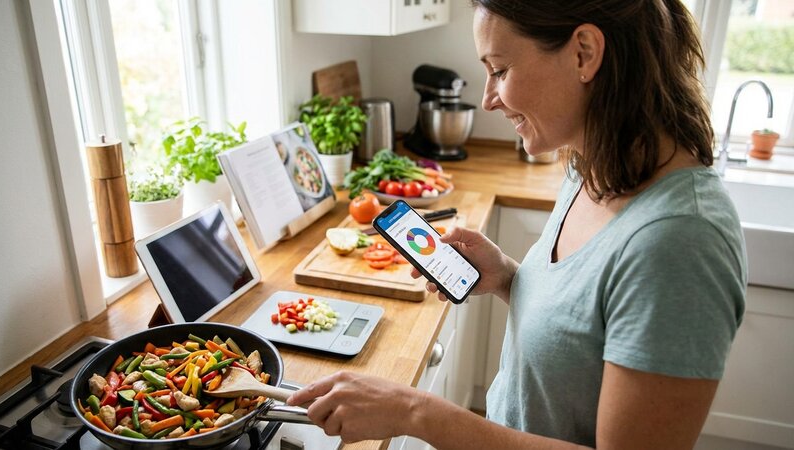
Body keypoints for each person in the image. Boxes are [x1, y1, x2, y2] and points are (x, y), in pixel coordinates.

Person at [287, 0, 747, 448]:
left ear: (584, 53)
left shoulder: (681, 240)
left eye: (500, 70)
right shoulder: (591, 166)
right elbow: (586, 329)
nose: (487, 100)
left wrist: (417, 413)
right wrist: (510, 278)